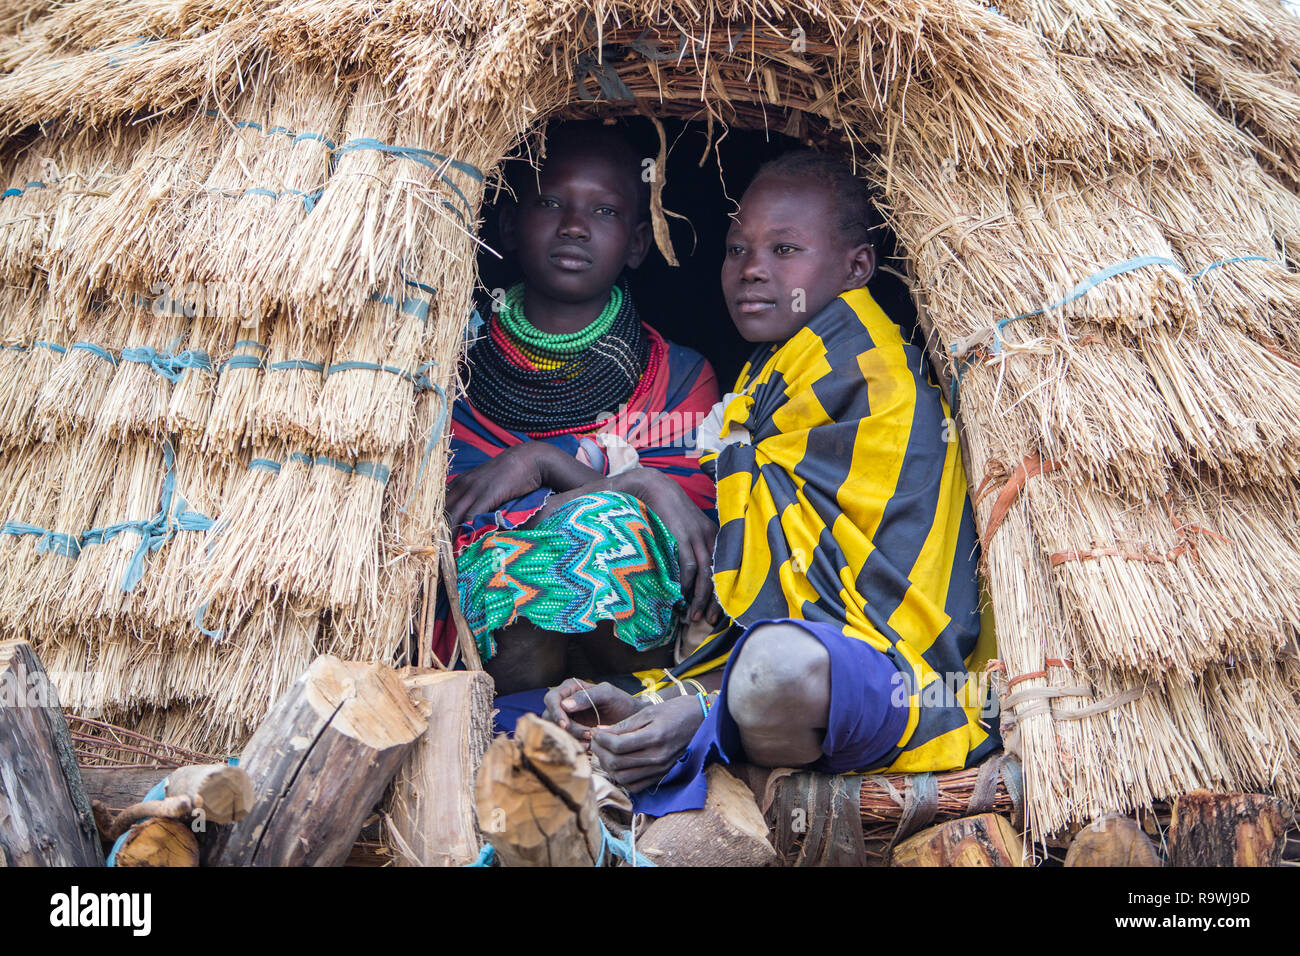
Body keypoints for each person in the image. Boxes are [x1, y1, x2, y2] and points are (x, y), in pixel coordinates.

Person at [542, 150, 999, 810]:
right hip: (778, 677)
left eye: (785, 249)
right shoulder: (770, 379)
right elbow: (769, 595)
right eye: (736, 249)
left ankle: (708, 722)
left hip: (900, 679)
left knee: (775, 670)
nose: (752, 270)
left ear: (857, 267)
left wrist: (700, 706)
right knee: (552, 704)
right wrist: (667, 696)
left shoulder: (878, 385)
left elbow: (841, 622)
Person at [439, 123, 724, 702]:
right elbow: (448, 529)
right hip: (490, 667)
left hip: (633, 676)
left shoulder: (680, 378)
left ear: (639, 242)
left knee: (608, 532)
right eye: (549, 202)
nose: (574, 226)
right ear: (509, 225)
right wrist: (637, 485)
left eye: (605, 211)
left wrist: (544, 466)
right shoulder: (448, 374)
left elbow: (692, 546)